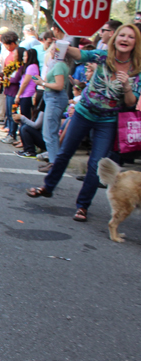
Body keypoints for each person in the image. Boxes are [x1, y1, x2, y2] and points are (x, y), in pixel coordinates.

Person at [27, 24, 141, 222]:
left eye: (130, 37)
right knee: (64, 153)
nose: (125, 39)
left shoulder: (136, 70)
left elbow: (131, 102)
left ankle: (82, 206)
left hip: (108, 120)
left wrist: (126, 86)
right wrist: (61, 46)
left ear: (135, 42)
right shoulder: (104, 57)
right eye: (121, 35)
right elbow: (81, 55)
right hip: (83, 113)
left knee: (96, 164)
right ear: (115, 39)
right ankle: (47, 187)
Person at [36, 44, 69, 173]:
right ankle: (53, 161)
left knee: (50, 132)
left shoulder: (59, 65)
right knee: (49, 132)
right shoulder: (56, 64)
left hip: (55, 98)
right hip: (52, 97)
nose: (51, 51)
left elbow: (59, 85)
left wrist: (42, 83)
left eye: (54, 49)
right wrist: (42, 82)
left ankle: (54, 163)